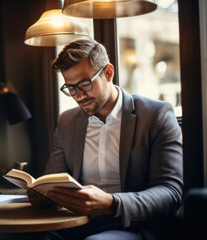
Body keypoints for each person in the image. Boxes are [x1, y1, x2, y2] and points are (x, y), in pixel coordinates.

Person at [28, 39, 183, 240]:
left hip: (134, 225)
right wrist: (41, 195)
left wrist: (112, 203)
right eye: (70, 88)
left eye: (85, 84)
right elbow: (52, 181)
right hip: (76, 222)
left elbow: (171, 192)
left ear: (108, 73)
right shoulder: (67, 121)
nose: (78, 96)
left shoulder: (155, 115)